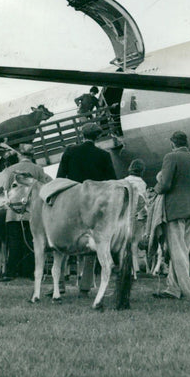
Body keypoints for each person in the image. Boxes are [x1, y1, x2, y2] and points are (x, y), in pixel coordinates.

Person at [57, 122, 118, 295]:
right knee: (92, 241)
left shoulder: (70, 151)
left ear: (81, 134)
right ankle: (85, 284)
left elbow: (60, 177)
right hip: (93, 202)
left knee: (63, 240)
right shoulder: (104, 155)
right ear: (97, 136)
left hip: (72, 199)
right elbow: (112, 180)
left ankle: (60, 283)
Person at [153, 131, 190, 300]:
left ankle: (187, 292)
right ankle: (173, 288)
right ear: (187, 143)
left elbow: (165, 184)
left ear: (173, 143)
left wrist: (155, 190)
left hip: (174, 210)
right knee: (182, 250)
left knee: (178, 252)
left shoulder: (170, 157)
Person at [0, 144, 49, 282]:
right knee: (31, 242)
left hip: (13, 213)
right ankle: (29, 271)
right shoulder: (38, 170)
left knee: (13, 242)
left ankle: (11, 272)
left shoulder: (10, 170)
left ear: (20, 155)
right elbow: (43, 189)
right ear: (32, 156)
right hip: (31, 212)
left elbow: (5, 191)